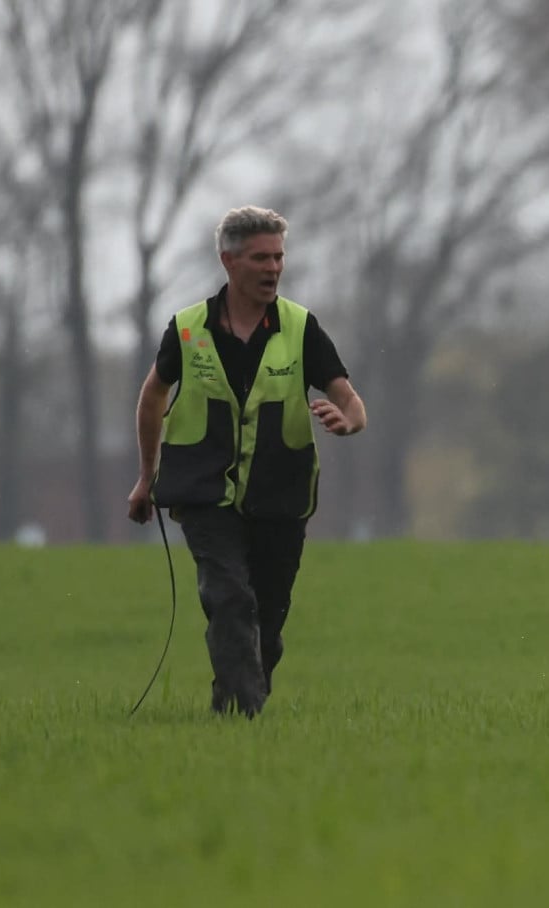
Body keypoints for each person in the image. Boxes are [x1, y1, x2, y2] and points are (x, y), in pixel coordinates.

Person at [126, 206, 366, 718]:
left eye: (279, 257)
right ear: (229, 261)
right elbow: (152, 397)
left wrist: (349, 422)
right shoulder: (188, 330)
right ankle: (240, 717)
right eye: (261, 257)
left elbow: (350, 400)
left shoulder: (300, 328)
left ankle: (234, 709)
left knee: (267, 627)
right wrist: (147, 478)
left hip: (280, 497)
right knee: (231, 598)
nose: (273, 268)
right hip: (205, 495)